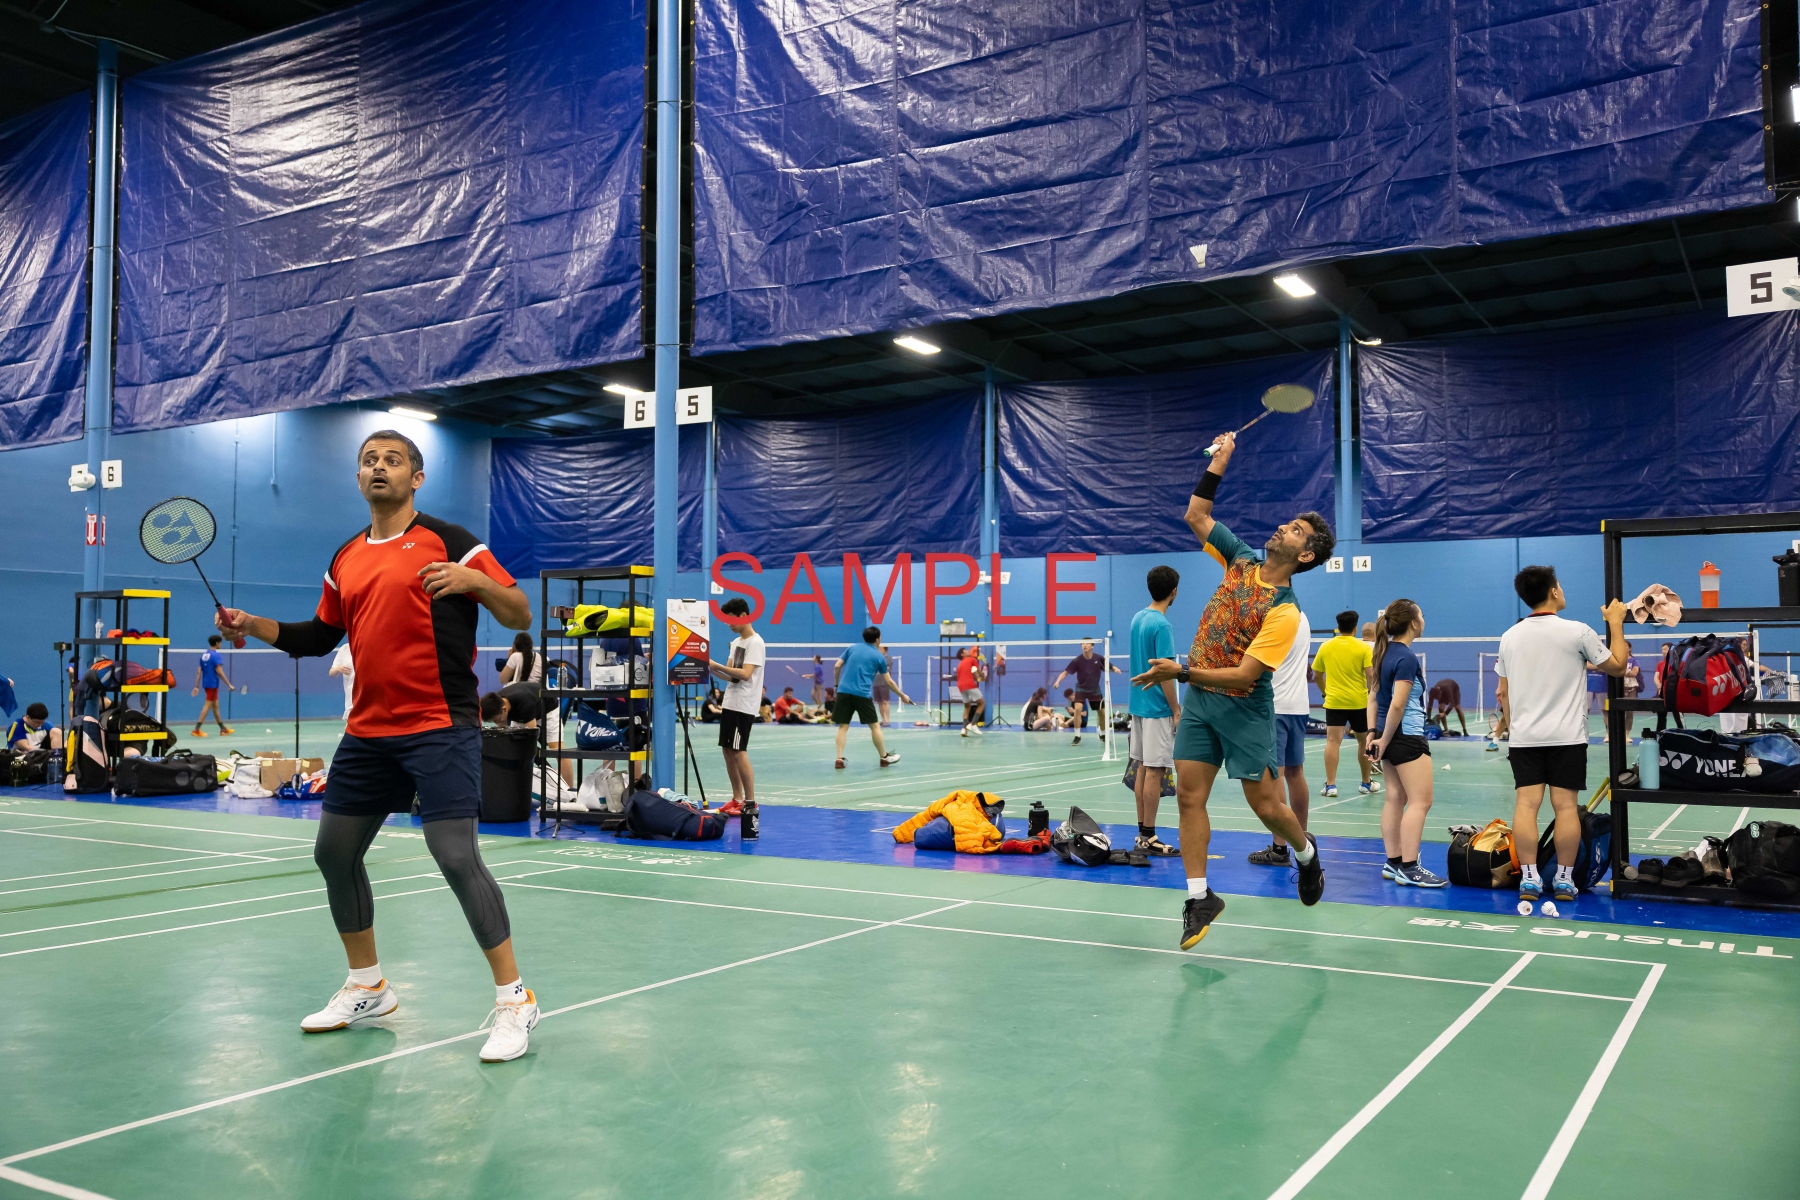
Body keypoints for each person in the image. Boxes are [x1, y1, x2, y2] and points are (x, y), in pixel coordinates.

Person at [215, 428, 540, 1063]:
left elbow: (519, 613)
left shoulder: (451, 542)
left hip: (439, 724)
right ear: (359, 477)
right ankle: (368, 986)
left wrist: (472, 582)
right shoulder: (346, 557)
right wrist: (253, 625)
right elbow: (319, 635)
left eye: (393, 460)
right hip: (368, 731)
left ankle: (514, 999)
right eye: (369, 460)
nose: (379, 468)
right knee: (334, 854)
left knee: (455, 857)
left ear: (416, 478)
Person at [1132, 431, 1332, 949]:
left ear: (1306, 555)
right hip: (1200, 703)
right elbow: (1196, 515)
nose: (1283, 527)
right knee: (1189, 797)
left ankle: (1306, 854)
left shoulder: (1286, 611)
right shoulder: (1240, 558)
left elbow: (1246, 676)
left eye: (1296, 530)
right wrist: (1219, 462)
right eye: (1288, 523)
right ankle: (1200, 898)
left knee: (1266, 805)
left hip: (1243, 710)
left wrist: (1182, 673)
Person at [1495, 566, 1629, 907]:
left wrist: (1514, 727)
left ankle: (1529, 877)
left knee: (1526, 805)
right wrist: (1615, 622)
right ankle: (1564, 880)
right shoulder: (1578, 631)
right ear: (1553, 591)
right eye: (1561, 586)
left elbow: (1502, 692)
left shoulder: (1509, 637)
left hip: (1524, 738)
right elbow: (1618, 666)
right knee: (1566, 807)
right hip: (1567, 737)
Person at [1367, 600, 1446, 887]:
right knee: (1420, 801)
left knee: (1395, 797)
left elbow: (1373, 698)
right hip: (1406, 736)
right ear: (1413, 623)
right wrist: (1384, 739)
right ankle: (1410, 868)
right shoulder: (1407, 658)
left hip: (1387, 734)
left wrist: (1373, 734)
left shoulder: (1383, 653)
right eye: (1421, 615)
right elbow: (1398, 705)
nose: (1424, 619)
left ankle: (1394, 862)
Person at [1249, 605, 1313, 866]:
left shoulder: (1272, 615)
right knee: (1296, 773)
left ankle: (1280, 847)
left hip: (1274, 706)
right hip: (1299, 706)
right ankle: (1303, 841)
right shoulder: (1302, 616)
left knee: (1276, 775)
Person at [1128, 566, 1182, 857]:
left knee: (1142, 767)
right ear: (1173, 592)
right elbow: (1166, 673)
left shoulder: (1138, 618)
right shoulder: (1162, 625)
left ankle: (1142, 834)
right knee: (1154, 770)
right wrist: (1176, 709)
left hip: (1137, 705)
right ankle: (1148, 836)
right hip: (1157, 707)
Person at [708, 598, 764, 818]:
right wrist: (710, 668)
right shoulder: (736, 643)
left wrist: (717, 665)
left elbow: (746, 674)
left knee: (739, 751)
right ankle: (737, 798)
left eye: (730, 619)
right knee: (727, 749)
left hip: (744, 704)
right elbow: (731, 675)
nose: (728, 624)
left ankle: (750, 802)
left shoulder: (755, 643)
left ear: (743, 616)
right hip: (730, 702)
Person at [1311, 610, 1374, 798]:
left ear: (1338, 627)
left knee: (1332, 742)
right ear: (1356, 628)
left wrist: (1325, 692)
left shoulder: (1326, 646)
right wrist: (1372, 695)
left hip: (1334, 701)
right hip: (1359, 702)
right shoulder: (1363, 648)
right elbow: (1370, 675)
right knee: (1364, 741)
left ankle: (1331, 785)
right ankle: (1366, 783)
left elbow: (1316, 675)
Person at [834, 626, 911, 769]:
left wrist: (837, 684)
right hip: (862, 694)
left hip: (843, 691)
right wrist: (902, 696)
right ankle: (884, 757)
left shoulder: (852, 648)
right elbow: (889, 681)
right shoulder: (879, 657)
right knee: (875, 726)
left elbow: (837, 666)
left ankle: (839, 759)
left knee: (843, 726)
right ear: (877, 639)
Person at [1052, 639, 1123, 745]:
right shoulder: (1077, 660)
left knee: (1102, 713)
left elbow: (1111, 666)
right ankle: (1077, 736)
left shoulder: (1098, 658)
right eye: (1082, 644)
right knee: (1077, 709)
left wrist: (1115, 669)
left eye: (1087, 643)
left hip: (1094, 689)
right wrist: (1057, 681)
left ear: (1092, 646)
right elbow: (1065, 672)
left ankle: (1102, 733)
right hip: (1081, 688)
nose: (1084, 645)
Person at [189, 634, 235, 738]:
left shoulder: (204, 655)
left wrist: (197, 686)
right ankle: (196, 729)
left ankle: (223, 729)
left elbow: (199, 671)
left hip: (206, 683)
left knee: (215, 706)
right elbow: (219, 671)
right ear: (217, 643)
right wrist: (229, 684)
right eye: (220, 643)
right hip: (213, 684)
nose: (221, 645)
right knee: (207, 705)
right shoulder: (216, 655)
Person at [956, 646, 988, 736]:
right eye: (965, 651)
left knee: (967, 707)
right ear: (962, 654)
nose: (968, 651)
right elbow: (979, 672)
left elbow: (972, 674)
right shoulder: (971, 659)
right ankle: (973, 724)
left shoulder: (960, 664)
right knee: (982, 704)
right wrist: (983, 676)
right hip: (969, 685)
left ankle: (964, 729)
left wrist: (977, 677)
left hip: (961, 686)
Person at [329, 642, 355, 721]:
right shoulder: (344, 649)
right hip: (350, 696)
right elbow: (331, 672)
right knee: (351, 723)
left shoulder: (367, 646)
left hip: (367, 694)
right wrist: (338, 669)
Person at [872, 643, 894, 725]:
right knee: (879, 702)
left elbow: (885, 668)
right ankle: (883, 719)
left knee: (885, 701)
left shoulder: (888, 659)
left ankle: (887, 720)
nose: (878, 650)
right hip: (875, 683)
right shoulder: (874, 659)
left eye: (880, 649)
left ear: (885, 650)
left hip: (884, 683)